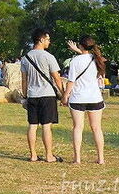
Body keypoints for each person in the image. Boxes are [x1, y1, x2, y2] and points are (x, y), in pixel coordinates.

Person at [21, 28, 64, 163]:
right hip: (47, 95)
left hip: (32, 95)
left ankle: (33, 155)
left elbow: (24, 80)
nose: (49, 42)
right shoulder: (48, 57)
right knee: (46, 125)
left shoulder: (25, 58)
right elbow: (56, 78)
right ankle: (49, 155)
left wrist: (25, 96)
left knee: (32, 125)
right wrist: (63, 94)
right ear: (41, 39)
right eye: (48, 39)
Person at [62, 36, 106, 165]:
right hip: (95, 97)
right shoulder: (98, 60)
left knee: (78, 127)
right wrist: (79, 50)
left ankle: (77, 158)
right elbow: (88, 57)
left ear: (81, 46)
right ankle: (101, 158)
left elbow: (71, 81)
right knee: (97, 128)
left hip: (78, 98)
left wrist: (65, 95)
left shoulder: (75, 61)